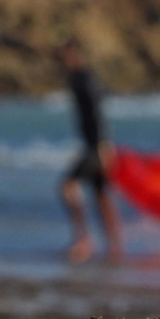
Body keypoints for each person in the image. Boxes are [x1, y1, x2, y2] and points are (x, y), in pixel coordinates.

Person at [57, 41, 122, 264]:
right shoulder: (85, 78)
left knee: (67, 187)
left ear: (75, 56)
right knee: (100, 194)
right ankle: (114, 246)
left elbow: (96, 113)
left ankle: (84, 240)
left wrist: (103, 146)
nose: (63, 62)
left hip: (96, 147)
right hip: (97, 145)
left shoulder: (83, 79)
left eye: (66, 57)